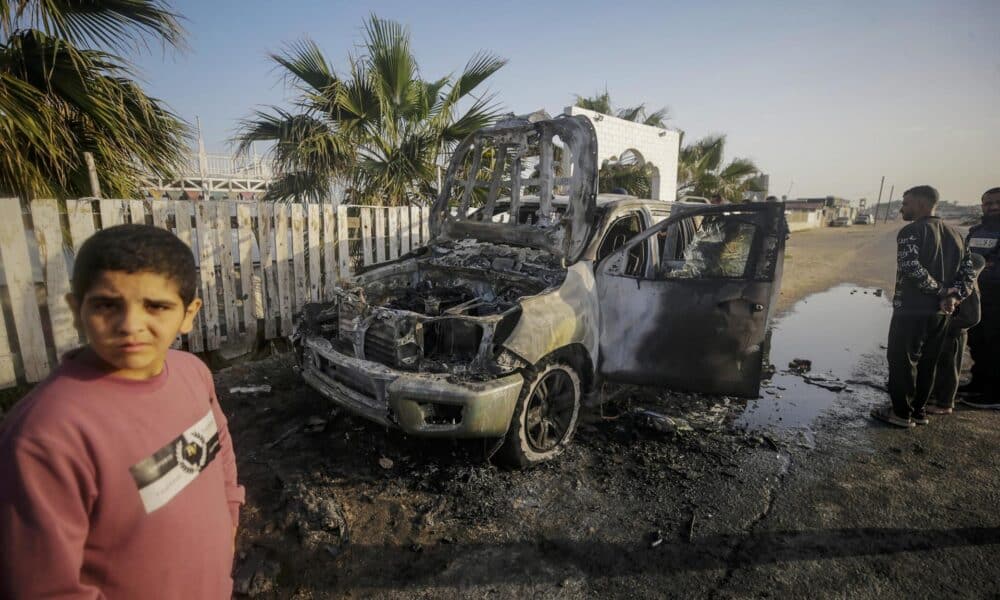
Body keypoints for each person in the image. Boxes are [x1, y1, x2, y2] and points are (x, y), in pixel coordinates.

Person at [0, 224, 244, 598]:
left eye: (156, 306)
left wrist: (229, 518)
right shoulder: (46, 435)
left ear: (188, 313)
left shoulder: (191, 373)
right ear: (76, 309)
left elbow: (218, 445)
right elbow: (44, 588)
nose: (130, 325)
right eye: (106, 305)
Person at [871, 185, 976, 428]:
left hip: (911, 309)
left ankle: (900, 413)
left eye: (906, 204)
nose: (902, 209)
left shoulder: (911, 231)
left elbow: (911, 268)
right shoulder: (957, 234)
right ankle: (918, 411)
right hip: (941, 312)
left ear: (921, 204)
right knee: (929, 361)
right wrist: (953, 297)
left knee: (902, 360)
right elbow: (969, 274)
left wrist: (941, 291)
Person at [926, 253, 986, 414]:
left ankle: (944, 404)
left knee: (949, 368)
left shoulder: (967, 286)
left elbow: (972, 317)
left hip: (954, 332)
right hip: (948, 330)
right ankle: (936, 396)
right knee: (941, 365)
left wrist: (948, 324)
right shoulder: (961, 280)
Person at [958, 187, 1000, 409]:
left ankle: (994, 394)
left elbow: (980, 264)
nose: (992, 207)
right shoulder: (976, 231)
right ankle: (979, 384)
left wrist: (984, 264)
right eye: (988, 203)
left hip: (997, 295)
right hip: (976, 293)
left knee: (996, 344)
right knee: (978, 341)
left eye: (997, 203)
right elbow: (967, 260)